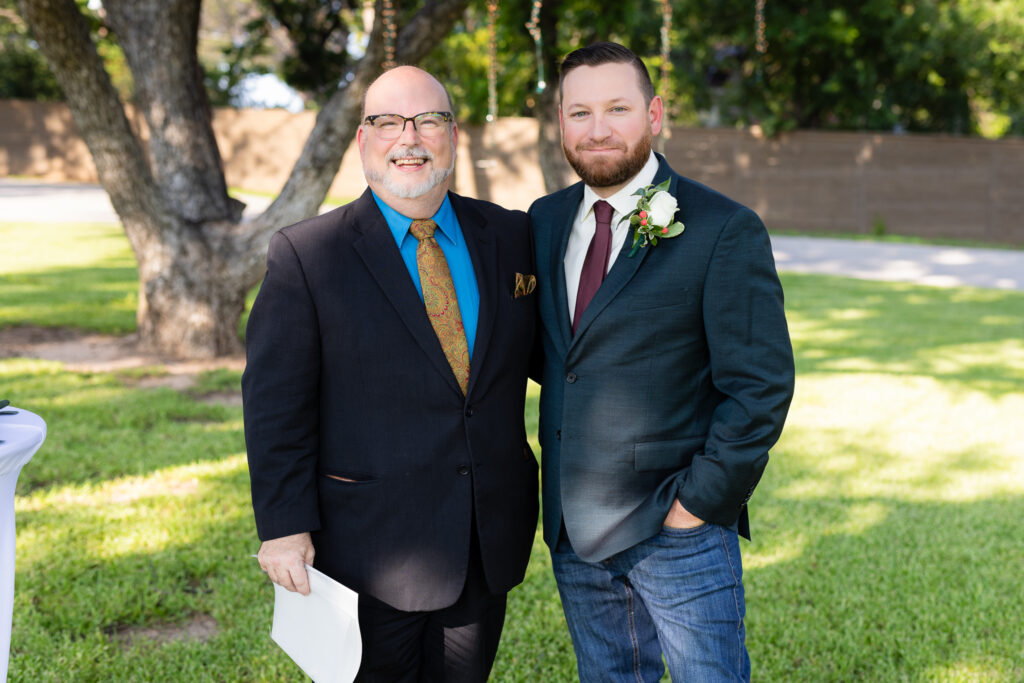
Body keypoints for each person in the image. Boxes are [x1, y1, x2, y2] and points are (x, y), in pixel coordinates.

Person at [242, 65, 539, 682]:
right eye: (387, 122)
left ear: (453, 135)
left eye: (429, 119)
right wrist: (283, 527)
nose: (410, 137)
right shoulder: (307, 254)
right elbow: (275, 404)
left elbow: (549, 358)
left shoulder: (510, 236)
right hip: (366, 549)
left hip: (483, 540)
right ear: (362, 141)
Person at [529, 42, 795, 682]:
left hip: (679, 529)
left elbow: (760, 388)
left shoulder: (722, 229)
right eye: (580, 112)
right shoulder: (542, 222)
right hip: (574, 528)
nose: (598, 129)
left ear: (654, 114)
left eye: (617, 108)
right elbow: (559, 358)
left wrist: (696, 507)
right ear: (560, 121)